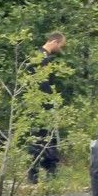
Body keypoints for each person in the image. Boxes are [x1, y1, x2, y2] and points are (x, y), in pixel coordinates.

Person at [27, 31, 67, 184]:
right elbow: (43, 85)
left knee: (41, 140)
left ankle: (41, 175)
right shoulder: (42, 60)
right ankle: (40, 175)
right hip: (41, 107)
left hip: (35, 106)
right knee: (43, 140)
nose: (60, 49)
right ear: (55, 42)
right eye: (61, 46)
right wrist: (50, 105)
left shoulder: (37, 57)